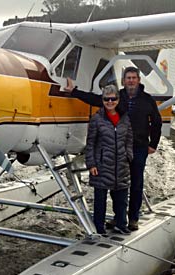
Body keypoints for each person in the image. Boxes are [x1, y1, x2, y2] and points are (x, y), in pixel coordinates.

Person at [65, 67, 162, 231]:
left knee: (136, 184)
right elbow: (96, 99)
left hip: (138, 147)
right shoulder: (118, 96)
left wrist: (153, 144)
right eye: (128, 78)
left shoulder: (147, 100)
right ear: (123, 81)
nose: (131, 81)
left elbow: (157, 122)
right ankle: (119, 218)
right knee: (117, 184)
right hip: (119, 148)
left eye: (133, 78)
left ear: (139, 80)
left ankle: (133, 219)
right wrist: (74, 91)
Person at [85, 84, 133, 235]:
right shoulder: (96, 119)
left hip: (121, 164)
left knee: (122, 198)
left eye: (113, 99)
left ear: (118, 100)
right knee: (100, 199)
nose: (110, 102)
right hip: (102, 164)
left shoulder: (125, 118)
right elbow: (90, 143)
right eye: (106, 99)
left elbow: (129, 138)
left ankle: (121, 224)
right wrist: (91, 163)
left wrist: (128, 155)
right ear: (103, 100)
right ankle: (99, 227)